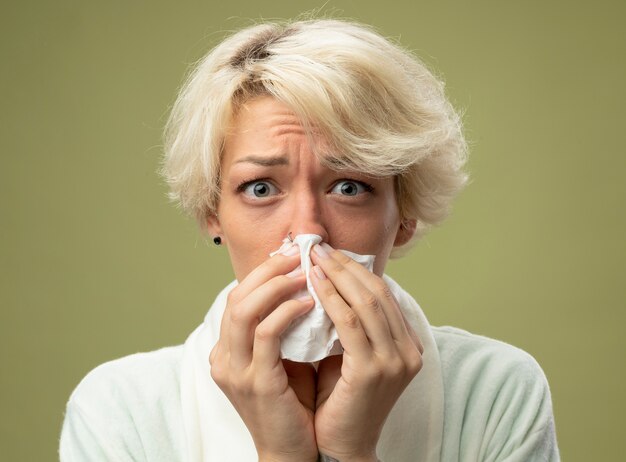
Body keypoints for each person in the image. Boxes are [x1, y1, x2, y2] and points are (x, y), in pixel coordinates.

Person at [59, 18, 560, 461]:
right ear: (213, 214)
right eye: (260, 189)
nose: (307, 231)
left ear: (404, 215)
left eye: (349, 187)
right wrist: (280, 454)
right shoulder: (120, 410)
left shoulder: (497, 392)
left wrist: (353, 453)